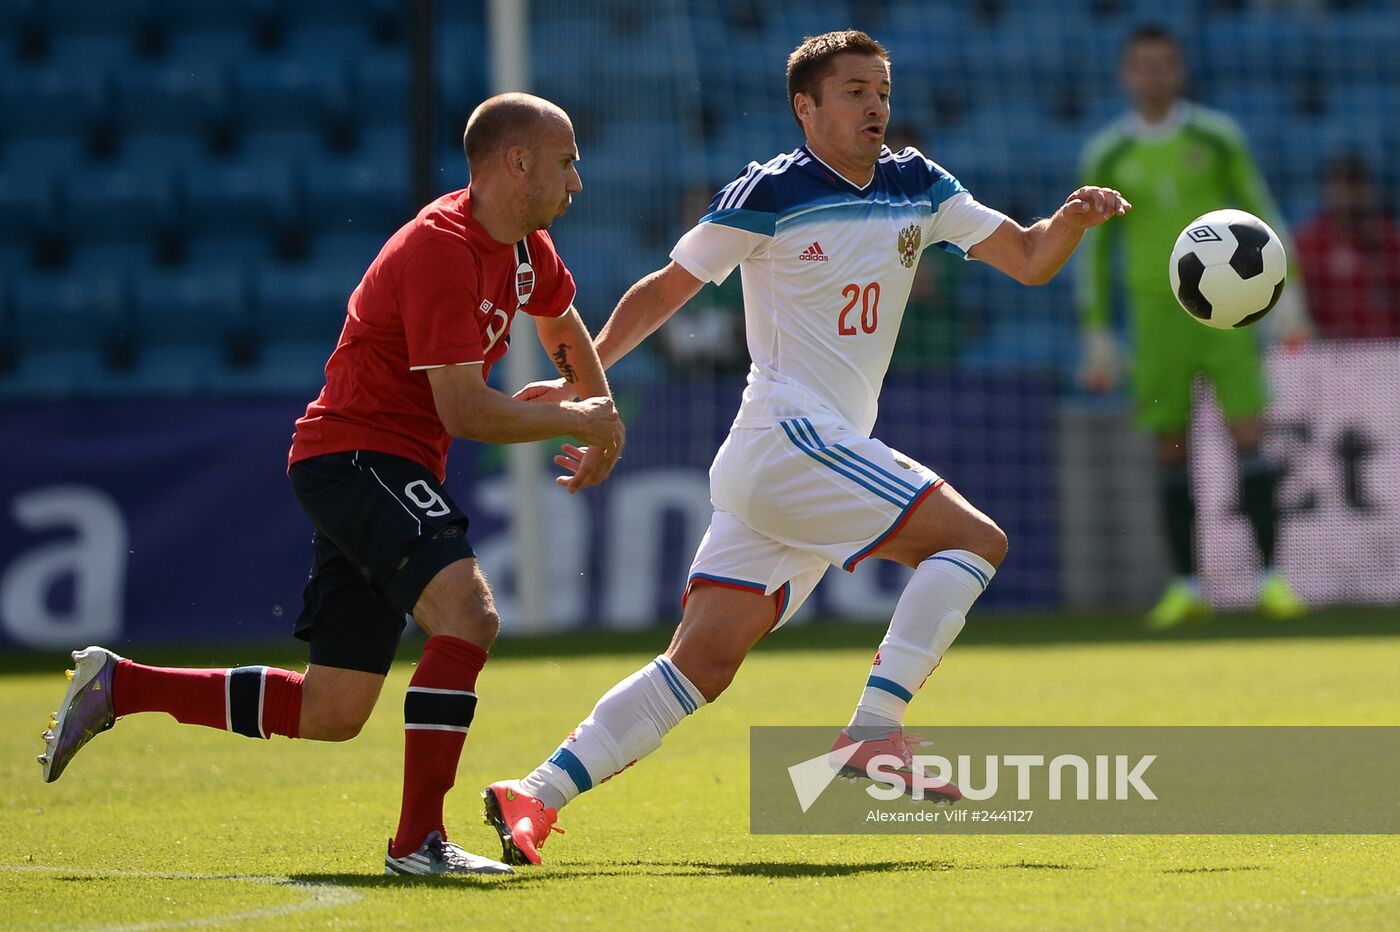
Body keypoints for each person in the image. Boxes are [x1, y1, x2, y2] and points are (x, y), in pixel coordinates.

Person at [479, 30, 1130, 865]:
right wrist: (586, 380)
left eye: (882, 91)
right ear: (806, 107)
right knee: (976, 543)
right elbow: (664, 290)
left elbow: (1032, 259)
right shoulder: (770, 191)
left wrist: (1069, 221)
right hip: (789, 436)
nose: (875, 106)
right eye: (855, 91)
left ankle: (535, 793)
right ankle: (873, 733)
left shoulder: (919, 184)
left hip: (798, 458)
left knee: (701, 665)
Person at [38, 93, 624, 877]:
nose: (577, 181)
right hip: (358, 456)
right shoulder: (440, 247)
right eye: (567, 161)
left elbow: (557, 316)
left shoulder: (522, 249)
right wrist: (577, 422)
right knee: (469, 616)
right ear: (516, 162)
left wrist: (600, 407)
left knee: (333, 711)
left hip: (380, 462)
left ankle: (121, 686)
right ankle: (418, 845)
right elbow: (464, 409)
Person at [1078, 24, 1311, 629]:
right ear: (1128, 74)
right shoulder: (1107, 153)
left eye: (1163, 64)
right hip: (1158, 318)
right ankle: (1187, 586)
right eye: (1142, 65)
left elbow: (1259, 207)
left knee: (1249, 434)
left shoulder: (1216, 135)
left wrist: (1289, 291)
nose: (1153, 74)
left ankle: (1271, 580)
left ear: (1177, 70)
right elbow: (1094, 251)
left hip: (1229, 315)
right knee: (1169, 446)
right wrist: (1097, 330)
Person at [1295, 155, 1400, 340]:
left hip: (1388, 353)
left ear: (1368, 188)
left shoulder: (1390, 240)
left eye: (1355, 183)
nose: (1348, 194)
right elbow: (1300, 309)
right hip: (1330, 355)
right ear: (1327, 189)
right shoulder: (1309, 243)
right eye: (1340, 185)